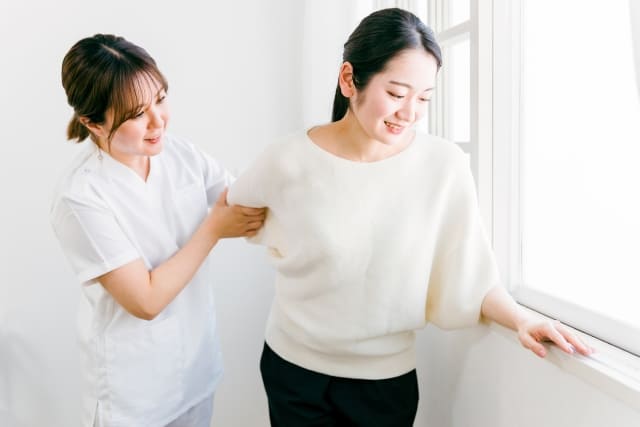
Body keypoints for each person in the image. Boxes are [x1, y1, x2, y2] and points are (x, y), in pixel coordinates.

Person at [227, 8, 593, 426]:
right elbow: (235, 206)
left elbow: (470, 272)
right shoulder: (288, 158)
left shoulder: (443, 165)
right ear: (349, 79)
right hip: (293, 369)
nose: (410, 112)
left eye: (423, 98)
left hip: (384, 383)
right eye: (397, 93)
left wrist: (523, 319)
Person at [50, 34, 265, 427]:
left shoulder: (180, 153)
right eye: (136, 114)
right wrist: (213, 228)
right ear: (92, 123)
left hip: (195, 373)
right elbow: (145, 300)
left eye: (161, 99)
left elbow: (244, 202)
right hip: (133, 396)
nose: (158, 121)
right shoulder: (80, 198)